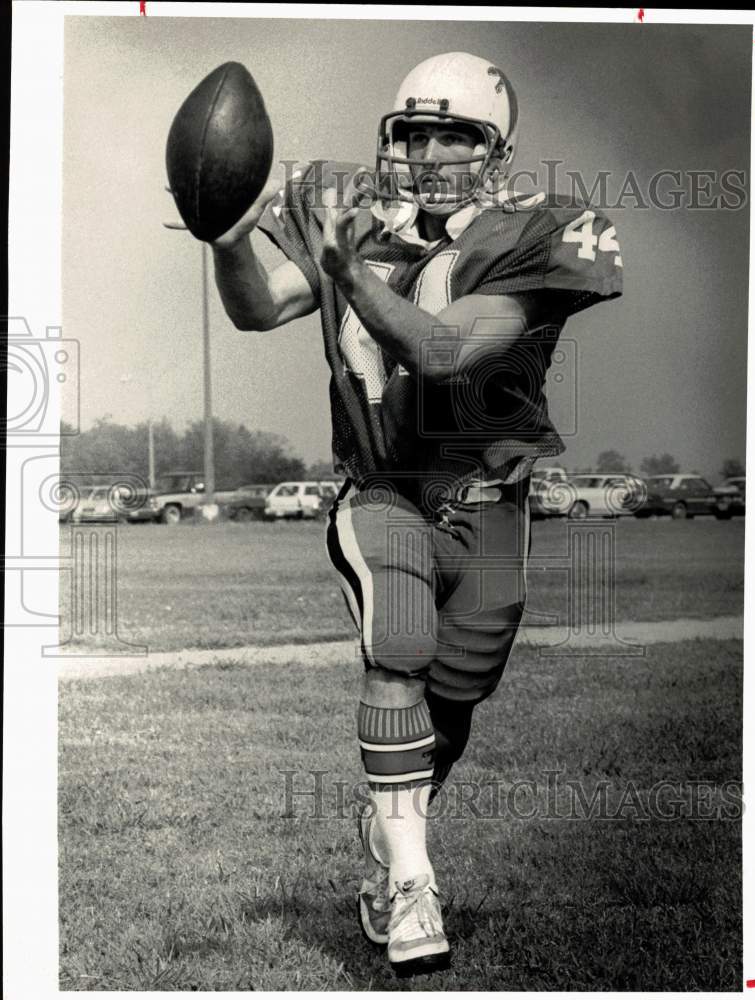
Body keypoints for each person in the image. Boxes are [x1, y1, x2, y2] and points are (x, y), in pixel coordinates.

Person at [192, 51, 622, 977]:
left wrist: (349, 269)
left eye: (452, 134)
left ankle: (393, 836)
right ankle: (415, 883)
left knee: (453, 706)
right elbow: (260, 307)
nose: (427, 151)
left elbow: (443, 348)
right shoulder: (355, 224)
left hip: (491, 507)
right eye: (412, 131)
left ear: (496, 149)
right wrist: (229, 240)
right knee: (398, 650)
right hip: (384, 490)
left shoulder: (543, 231)